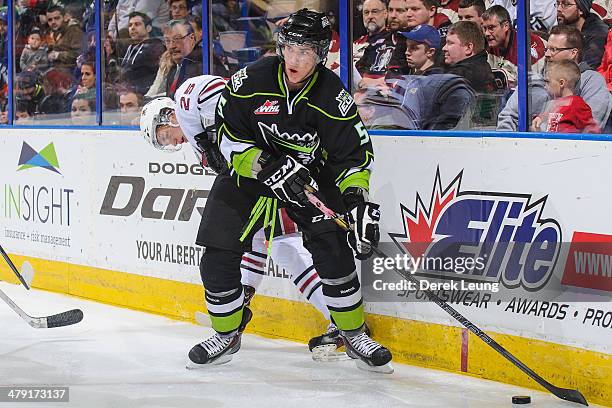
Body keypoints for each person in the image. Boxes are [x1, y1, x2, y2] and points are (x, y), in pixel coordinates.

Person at [154, 9, 392, 371]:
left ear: (321, 54)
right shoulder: (249, 80)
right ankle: (227, 333)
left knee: (333, 248)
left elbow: (353, 157)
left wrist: (356, 201)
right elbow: (228, 139)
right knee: (217, 252)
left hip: (310, 177)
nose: (295, 60)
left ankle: (353, 334)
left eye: (306, 53)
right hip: (249, 175)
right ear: (280, 47)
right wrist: (264, 165)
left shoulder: (333, 96)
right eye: (290, 49)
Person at [140, 74, 350, 361]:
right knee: (258, 241)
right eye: (165, 143)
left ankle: (340, 322)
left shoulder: (190, 102)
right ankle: (241, 307)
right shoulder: (202, 150)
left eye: (165, 135)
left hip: (283, 169)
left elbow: (219, 88)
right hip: (264, 183)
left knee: (287, 247)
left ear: (169, 115)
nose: (173, 142)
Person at [497, 25, 612, 131]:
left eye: (554, 50)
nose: (547, 54)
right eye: (546, 49)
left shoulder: (591, 81)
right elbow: (508, 116)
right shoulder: (533, 80)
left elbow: (590, 127)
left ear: (573, 53)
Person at [482, 5, 546, 90]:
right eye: (484, 28)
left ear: (505, 26)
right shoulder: (493, 46)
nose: (486, 33)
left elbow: (532, 91)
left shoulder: (525, 50)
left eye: (491, 28)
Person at [531, 59, 600, 133]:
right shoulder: (553, 104)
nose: (545, 86)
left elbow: (592, 130)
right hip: (550, 143)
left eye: (548, 81)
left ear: (561, 83)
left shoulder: (576, 104)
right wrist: (539, 118)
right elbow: (546, 118)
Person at [442, 21, 496, 93]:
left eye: (450, 43)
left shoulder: (461, 75)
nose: (444, 48)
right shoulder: (481, 67)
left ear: (468, 48)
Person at [120, 12, 165, 95]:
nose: (132, 28)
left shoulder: (155, 47)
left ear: (148, 28)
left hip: (145, 95)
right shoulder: (129, 48)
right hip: (128, 93)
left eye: (137, 24)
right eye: (130, 25)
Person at [556, 0, 609, 69]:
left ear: (581, 9)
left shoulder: (598, 34)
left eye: (566, 4)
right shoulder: (565, 27)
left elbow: (587, 70)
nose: (558, 9)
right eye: (557, 3)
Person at [164, 19, 201, 99]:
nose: (171, 46)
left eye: (177, 39)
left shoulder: (203, 64)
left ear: (192, 38)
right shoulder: (174, 68)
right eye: (167, 41)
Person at [45, 5, 83, 74]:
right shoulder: (52, 33)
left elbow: (79, 55)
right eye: (50, 20)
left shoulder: (74, 31)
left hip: (72, 73)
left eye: (57, 18)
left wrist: (58, 55)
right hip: (55, 72)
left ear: (65, 17)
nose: (53, 22)